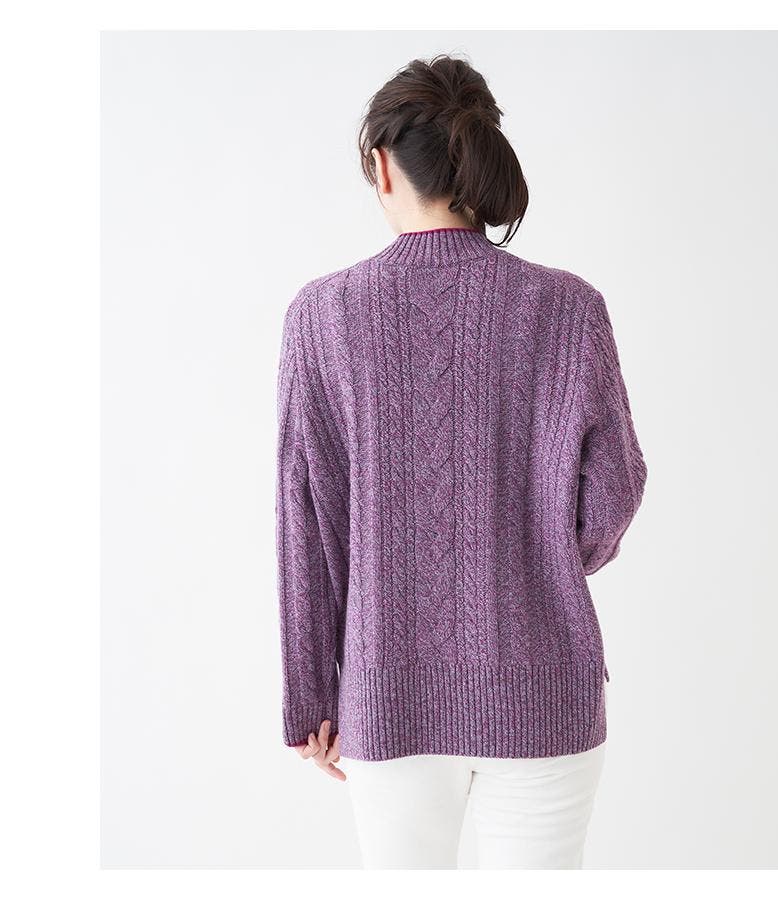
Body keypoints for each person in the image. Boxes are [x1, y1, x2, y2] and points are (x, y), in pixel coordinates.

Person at [275, 54, 648, 869]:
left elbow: (307, 518)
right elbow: (615, 489)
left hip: (388, 695)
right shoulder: (569, 308)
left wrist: (309, 695)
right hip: (544, 693)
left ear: (381, 166)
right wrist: (538, 556)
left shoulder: (322, 317)